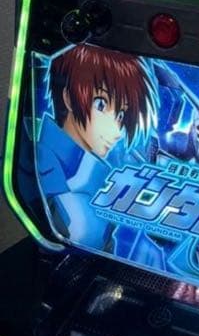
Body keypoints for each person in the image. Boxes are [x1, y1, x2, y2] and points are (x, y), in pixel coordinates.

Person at [37, 44, 156, 249]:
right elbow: (77, 231)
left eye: (121, 115)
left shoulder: (93, 168)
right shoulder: (42, 158)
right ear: (68, 98)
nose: (117, 131)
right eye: (101, 104)